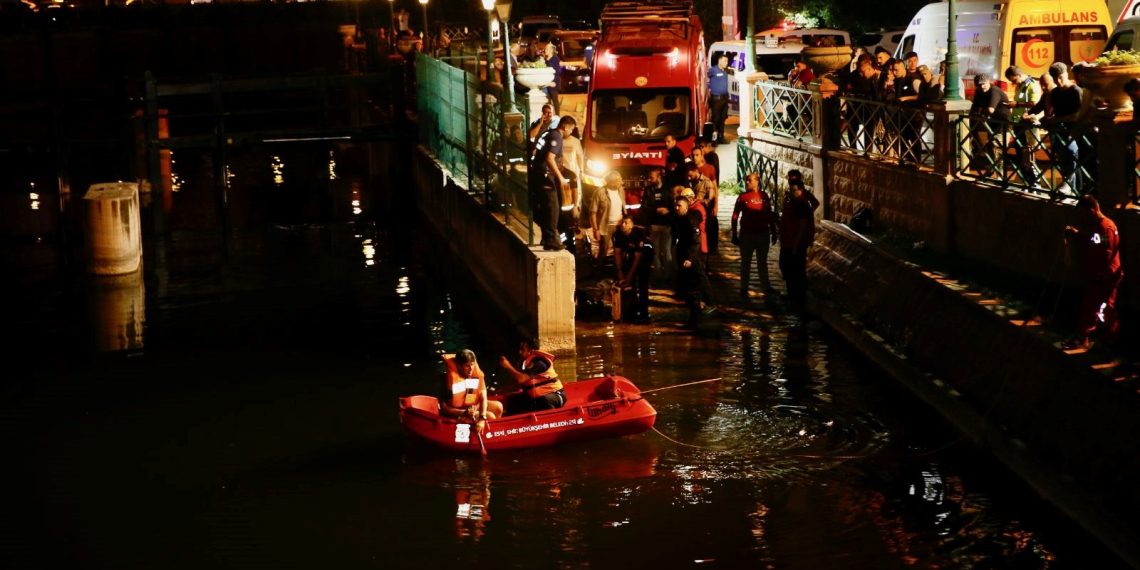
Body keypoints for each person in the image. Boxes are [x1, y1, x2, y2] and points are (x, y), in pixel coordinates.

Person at [1062, 195, 1123, 349]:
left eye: (1084, 214)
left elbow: (1107, 253)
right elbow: (1094, 240)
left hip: (1106, 277)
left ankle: (1107, 341)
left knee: (1103, 309)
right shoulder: (1098, 226)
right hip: (1100, 275)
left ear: (1092, 210)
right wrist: (1077, 234)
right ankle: (1095, 338)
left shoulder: (1105, 227)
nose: (1082, 218)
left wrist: (1103, 275)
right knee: (1093, 306)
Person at [529, 115, 576, 251]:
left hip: (537, 174)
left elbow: (535, 151)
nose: (571, 132)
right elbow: (550, 158)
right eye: (571, 129)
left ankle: (546, 238)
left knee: (544, 207)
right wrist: (560, 177)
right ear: (565, 126)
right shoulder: (557, 137)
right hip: (545, 176)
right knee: (552, 208)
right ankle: (551, 240)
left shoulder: (547, 133)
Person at [731, 171, 779, 299]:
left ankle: (766, 287)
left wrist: (773, 232)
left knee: (762, 262)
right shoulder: (742, 197)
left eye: (750, 180)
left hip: (762, 233)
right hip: (747, 234)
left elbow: (769, 214)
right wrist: (734, 233)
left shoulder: (764, 196)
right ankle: (743, 288)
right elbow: (735, 216)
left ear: (757, 181)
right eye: (747, 180)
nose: (747, 183)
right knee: (745, 262)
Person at [779, 171, 820, 309]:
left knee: (796, 268)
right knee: (787, 266)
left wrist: (797, 244)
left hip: (796, 242)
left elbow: (802, 226)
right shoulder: (789, 199)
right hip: (787, 239)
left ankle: (797, 296)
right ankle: (793, 294)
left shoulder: (802, 203)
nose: (791, 188)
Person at [673, 192, 713, 328]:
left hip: (691, 258)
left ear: (686, 206)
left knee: (694, 287)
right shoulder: (680, 220)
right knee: (689, 288)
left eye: (679, 206)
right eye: (676, 206)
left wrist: (690, 258)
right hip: (684, 256)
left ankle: (696, 318)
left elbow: (695, 241)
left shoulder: (690, 219)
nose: (677, 208)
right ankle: (694, 318)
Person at [440, 350, 503, 433]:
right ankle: (488, 434)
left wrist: (482, 418)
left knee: (498, 407)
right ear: (458, 366)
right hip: (459, 413)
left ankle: (495, 433)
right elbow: (444, 409)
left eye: (472, 364)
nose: (471, 369)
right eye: (467, 366)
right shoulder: (446, 380)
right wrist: (464, 413)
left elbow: (483, 398)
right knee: (490, 416)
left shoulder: (476, 375)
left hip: (473, 407)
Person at [498, 338, 565, 414]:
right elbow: (518, 384)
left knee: (544, 401)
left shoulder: (539, 362)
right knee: (513, 400)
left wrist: (507, 366)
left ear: (531, 351)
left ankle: (549, 420)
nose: (519, 352)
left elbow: (521, 379)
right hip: (537, 397)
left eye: (523, 350)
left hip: (555, 395)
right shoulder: (526, 363)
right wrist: (499, 391)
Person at [1045, 62, 1082, 195]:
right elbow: (1050, 112)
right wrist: (1048, 98)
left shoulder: (1076, 91)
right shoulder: (1055, 92)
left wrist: (1057, 119)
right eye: (1055, 79)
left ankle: (1072, 188)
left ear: (1066, 74)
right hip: (1060, 132)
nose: (1058, 81)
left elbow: (1077, 115)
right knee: (1063, 160)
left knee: (1072, 157)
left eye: (1060, 77)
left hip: (1074, 132)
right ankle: (1070, 188)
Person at [1006, 65, 1043, 186]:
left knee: (1028, 152)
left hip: (1027, 124)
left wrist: (1016, 104)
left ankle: (1034, 179)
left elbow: (1034, 103)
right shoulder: (1020, 85)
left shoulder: (1032, 85)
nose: (1012, 83)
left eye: (1013, 80)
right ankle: (1025, 178)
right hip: (1019, 123)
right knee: (1021, 152)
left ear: (1019, 75)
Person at [612, 214, 654, 322]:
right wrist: (620, 272)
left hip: (644, 258)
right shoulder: (618, 234)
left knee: (642, 286)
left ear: (632, 225)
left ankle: (644, 314)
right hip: (630, 257)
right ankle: (630, 311)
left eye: (626, 223)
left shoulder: (638, 235)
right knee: (629, 287)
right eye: (622, 222)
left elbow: (638, 259)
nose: (623, 225)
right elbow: (617, 253)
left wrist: (629, 277)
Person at [968, 74, 1011, 176]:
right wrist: (972, 115)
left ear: (989, 82)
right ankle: (992, 170)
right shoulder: (979, 91)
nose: (982, 86)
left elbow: (990, 110)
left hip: (1003, 123)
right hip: (991, 123)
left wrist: (980, 112)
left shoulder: (994, 90)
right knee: (991, 147)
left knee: (997, 147)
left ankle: (1000, 175)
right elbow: (975, 106)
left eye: (984, 84)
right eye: (979, 85)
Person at [587, 170, 627, 264]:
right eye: (618, 181)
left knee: (620, 248)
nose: (620, 183)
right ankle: (598, 274)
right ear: (610, 182)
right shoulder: (600, 192)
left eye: (620, 181)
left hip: (619, 225)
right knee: (603, 250)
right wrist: (595, 229)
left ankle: (619, 271)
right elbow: (592, 212)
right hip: (605, 227)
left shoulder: (621, 190)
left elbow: (623, 207)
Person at [642, 168, 675, 284]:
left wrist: (668, 210)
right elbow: (644, 207)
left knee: (666, 251)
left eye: (652, 177)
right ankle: (657, 275)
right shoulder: (648, 190)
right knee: (655, 252)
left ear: (659, 177)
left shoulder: (668, 189)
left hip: (666, 224)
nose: (650, 180)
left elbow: (674, 204)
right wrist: (656, 210)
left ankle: (668, 276)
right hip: (654, 224)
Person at [708, 54, 730, 144]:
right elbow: (705, 77)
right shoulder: (713, 70)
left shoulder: (725, 71)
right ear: (719, 60)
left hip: (724, 99)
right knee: (715, 120)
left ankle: (721, 137)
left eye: (727, 61)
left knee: (722, 119)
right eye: (725, 61)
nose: (726, 63)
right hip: (716, 99)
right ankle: (714, 139)